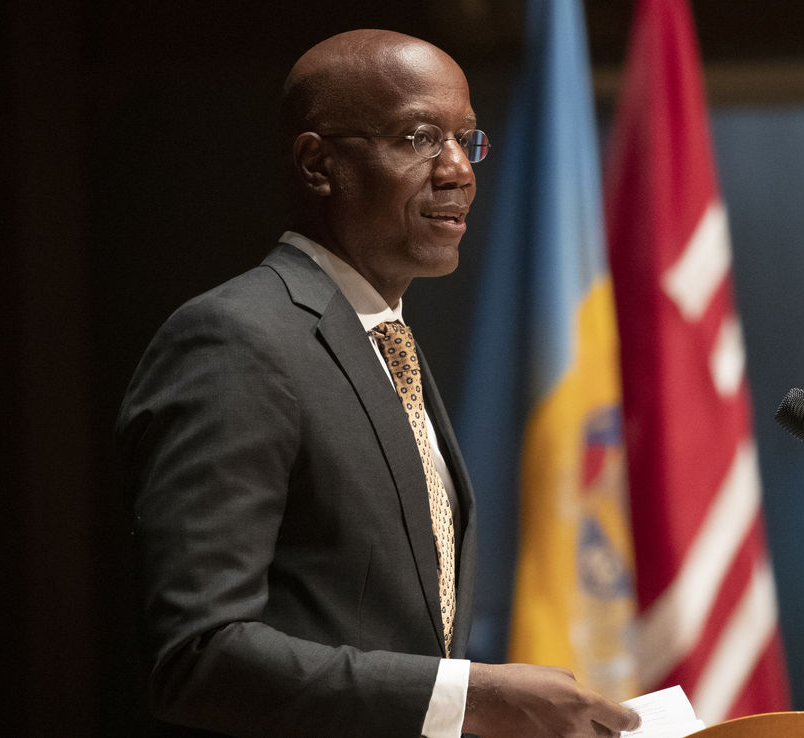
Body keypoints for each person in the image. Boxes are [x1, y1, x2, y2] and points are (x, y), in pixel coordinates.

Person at [116, 29, 642, 738]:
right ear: (318, 163)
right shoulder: (236, 341)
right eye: (420, 138)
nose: (457, 170)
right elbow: (199, 656)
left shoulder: (383, 338)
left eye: (467, 139)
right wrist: (471, 697)